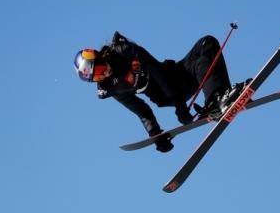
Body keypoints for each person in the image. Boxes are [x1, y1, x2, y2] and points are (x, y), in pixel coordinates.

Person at [74, 32, 246, 152]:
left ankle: (217, 99)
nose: (102, 74)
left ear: (101, 57)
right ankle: (217, 102)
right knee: (205, 45)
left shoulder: (123, 51)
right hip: (165, 95)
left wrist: (179, 104)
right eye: (96, 77)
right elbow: (141, 110)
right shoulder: (111, 88)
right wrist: (155, 134)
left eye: (100, 68)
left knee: (206, 44)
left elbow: (154, 68)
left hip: (173, 77)